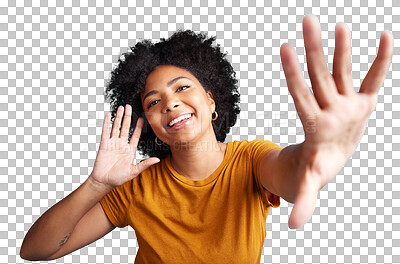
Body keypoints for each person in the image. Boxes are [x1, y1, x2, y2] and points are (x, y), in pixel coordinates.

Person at [20, 15, 393, 263]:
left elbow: (290, 173)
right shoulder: (135, 185)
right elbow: (35, 250)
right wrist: (97, 183)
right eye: (154, 101)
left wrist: (314, 155)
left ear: (211, 99)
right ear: (149, 122)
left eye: (183, 87)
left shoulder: (250, 160)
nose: (170, 103)